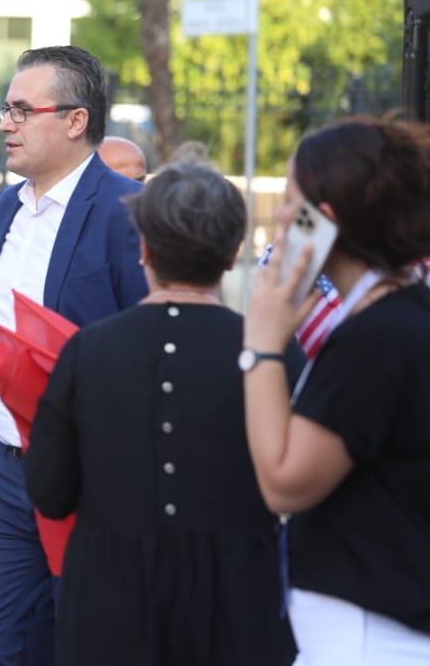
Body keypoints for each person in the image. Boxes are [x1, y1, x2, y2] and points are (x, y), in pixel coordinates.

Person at [23, 159, 298, 665]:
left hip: (110, 596)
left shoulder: (87, 350)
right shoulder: (270, 351)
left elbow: (49, 490)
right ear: (233, 254)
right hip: (238, 596)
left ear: (144, 249)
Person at [0, 45, 147, 666]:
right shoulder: (10, 203)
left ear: (76, 120)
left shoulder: (126, 212)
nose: (5, 123)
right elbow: (2, 321)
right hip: (10, 474)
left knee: (83, 646)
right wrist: (1, 412)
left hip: (96, 477)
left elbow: (147, 343)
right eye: (5, 109)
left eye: (22, 110)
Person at [242, 117, 430, 662]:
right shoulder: (401, 316)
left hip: (372, 638)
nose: (281, 218)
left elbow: (284, 483)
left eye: (291, 202)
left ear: (323, 220)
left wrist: (261, 344)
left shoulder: (378, 336)